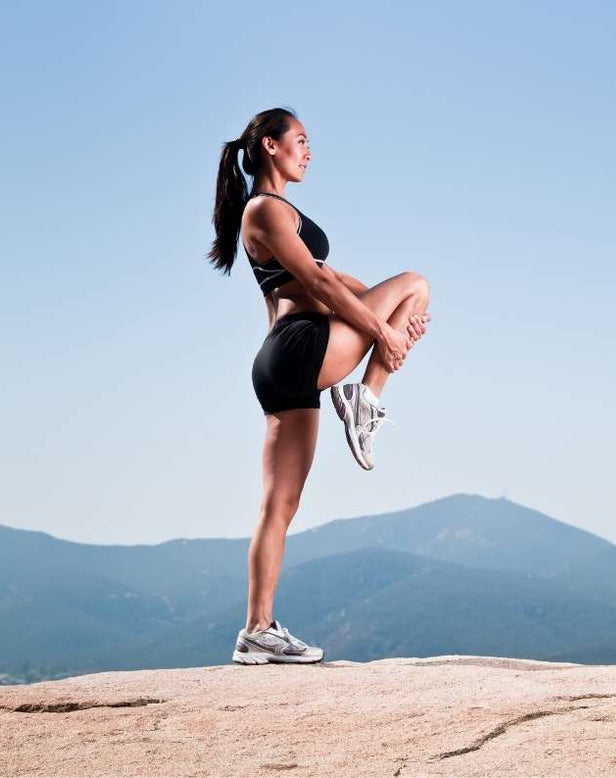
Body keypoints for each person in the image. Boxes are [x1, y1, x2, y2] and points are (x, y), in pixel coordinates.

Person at [207, 107, 431, 665]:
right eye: (300, 141)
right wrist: (384, 327)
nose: (308, 152)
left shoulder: (279, 213)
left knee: (280, 504)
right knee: (418, 283)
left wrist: (396, 326)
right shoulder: (263, 209)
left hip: (286, 362)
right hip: (301, 344)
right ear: (269, 148)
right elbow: (318, 280)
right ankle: (365, 399)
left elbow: (343, 280)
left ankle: (257, 629)